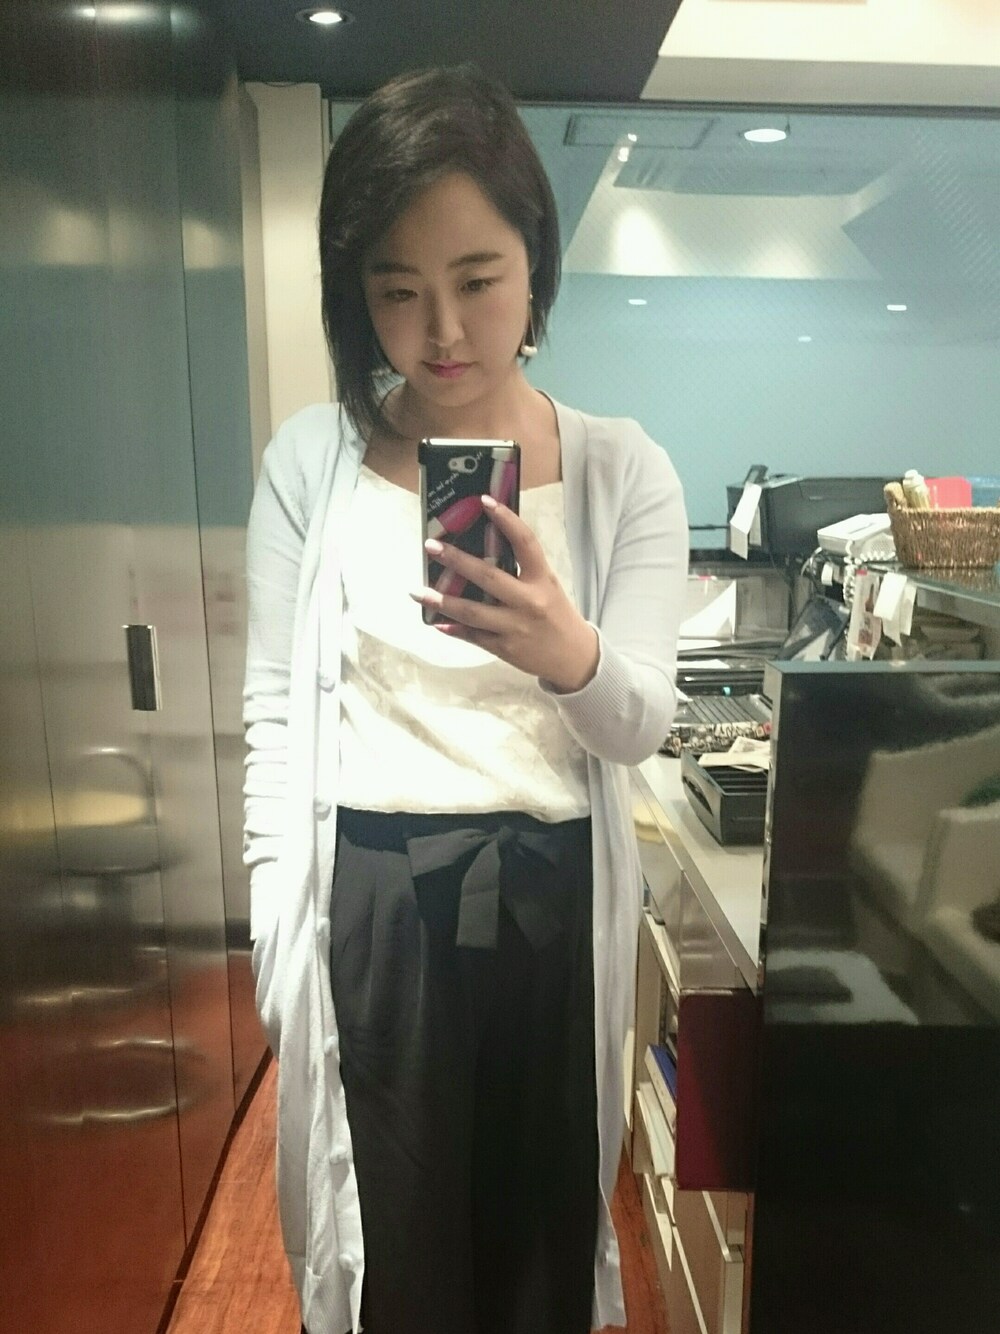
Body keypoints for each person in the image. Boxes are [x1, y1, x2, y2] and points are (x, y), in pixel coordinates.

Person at [243, 64, 688, 1334]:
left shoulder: (622, 469)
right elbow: (272, 714)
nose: (440, 330)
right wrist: (278, 940)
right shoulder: (311, 462)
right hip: (374, 904)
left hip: (552, 898)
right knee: (397, 1257)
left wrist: (567, 651)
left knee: (537, 1249)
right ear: (358, 296)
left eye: (477, 280)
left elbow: (640, 724)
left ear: (536, 266)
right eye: (397, 290)